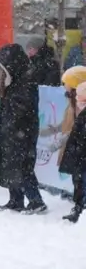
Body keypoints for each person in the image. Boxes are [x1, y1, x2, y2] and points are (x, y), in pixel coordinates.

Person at [0, 44, 47, 213]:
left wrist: (9, 121)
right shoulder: (15, 82)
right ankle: (16, 199)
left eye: (0, 68)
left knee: (22, 166)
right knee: (11, 165)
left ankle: (36, 201)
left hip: (21, 132)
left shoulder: (26, 82)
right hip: (12, 130)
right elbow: (6, 102)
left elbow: (19, 107)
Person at [59, 81, 86, 222]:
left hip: (81, 155)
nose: (77, 99)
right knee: (79, 183)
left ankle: (80, 210)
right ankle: (78, 209)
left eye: (80, 97)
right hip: (78, 155)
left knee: (82, 183)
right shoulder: (80, 112)